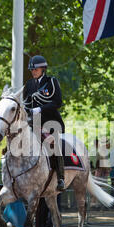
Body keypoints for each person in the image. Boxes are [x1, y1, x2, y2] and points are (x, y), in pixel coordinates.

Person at [23, 55, 65, 192]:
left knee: (54, 145)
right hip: (33, 123)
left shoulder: (51, 81)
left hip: (51, 122)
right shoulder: (29, 84)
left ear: (43, 69)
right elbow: (25, 103)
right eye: (32, 70)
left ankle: (60, 178)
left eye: (35, 69)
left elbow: (58, 102)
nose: (33, 71)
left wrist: (40, 108)